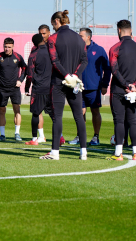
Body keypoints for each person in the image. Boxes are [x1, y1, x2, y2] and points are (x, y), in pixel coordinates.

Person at [41, 10, 88, 160]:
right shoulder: (79, 39)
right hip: (75, 82)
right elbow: (84, 60)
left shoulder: (53, 38)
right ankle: (84, 152)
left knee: (58, 117)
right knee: (79, 117)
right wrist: (74, 75)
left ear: (56, 21)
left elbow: (55, 61)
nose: (52, 27)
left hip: (59, 82)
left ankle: (55, 152)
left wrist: (67, 75)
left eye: (52, 23)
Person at [106, 20, 136, 161]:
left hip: (119, 89)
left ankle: (119, 153)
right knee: (133, 121)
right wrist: (135, 85)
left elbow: (114, 69)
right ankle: (135, 153)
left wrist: (125, 85)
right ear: (130, 31)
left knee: (119, 121)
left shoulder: (115, 48)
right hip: (133, 90)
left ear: (119, 31)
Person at [70, 27, 110, 146]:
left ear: (88, 37)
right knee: (80, 112)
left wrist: (104, 85)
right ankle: (80, 136)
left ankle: (96, 137)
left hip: (94, 87)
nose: (79, 38)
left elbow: (107, 69)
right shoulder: (76, 49)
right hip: (78, 87)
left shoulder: (99, 50)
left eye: (81, 36)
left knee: (95, 111)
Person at [0, 38, 26, 142]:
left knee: (17, 110)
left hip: (14, 88)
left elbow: (24, 68)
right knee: (2, 111)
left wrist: (20, 80)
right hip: (2, 88)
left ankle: (17, 133)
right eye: (5, 46)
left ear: (13, 47)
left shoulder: (18, 57)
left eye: (9, 47)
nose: (7, 49)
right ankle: (2, 135)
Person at [24, 33, 52, 145]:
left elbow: (30, 74)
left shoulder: (33, 55)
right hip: (51, 87)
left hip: (38, 88)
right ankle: (60, 137)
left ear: (34, 43)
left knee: (36, 113)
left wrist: (27, 88)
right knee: (54, 115)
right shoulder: (52, 52)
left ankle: (34, 139)